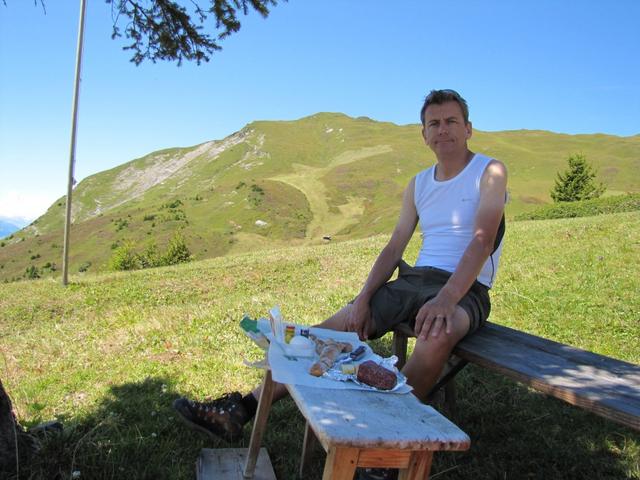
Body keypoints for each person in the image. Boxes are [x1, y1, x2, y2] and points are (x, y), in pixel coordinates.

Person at [174, 90, 507, 474]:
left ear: (468, 129)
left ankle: (387, 448)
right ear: (424, 134)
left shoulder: (489, 171)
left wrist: (447, 298)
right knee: (322, 333)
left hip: (466, 288)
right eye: (434, 123)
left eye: (451, 121)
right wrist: (363, 298)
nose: (443, 129)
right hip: (414, 280)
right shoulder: (418, 184)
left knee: (437, 333)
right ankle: (240, 409)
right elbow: (394, 246)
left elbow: (483, 240)